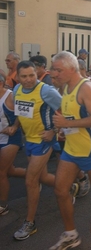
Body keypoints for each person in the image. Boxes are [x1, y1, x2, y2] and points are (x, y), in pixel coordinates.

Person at [50, 51, 91, 249]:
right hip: (72, 149)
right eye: (53, 69)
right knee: (60, 189)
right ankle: (71, 234)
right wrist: (64, 128)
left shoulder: (87, 88)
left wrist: (67, 122)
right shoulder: (66, 87)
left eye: (58, 70)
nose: (54, 74)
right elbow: (72, 117)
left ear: (72, 69)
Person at [13, 61, 62, 240]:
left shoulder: (46, 91)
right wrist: (15, 125)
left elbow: (68, 110)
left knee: (30, 180)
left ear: (37, 74)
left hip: (43, 141)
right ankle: (68, 186)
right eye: (24, 76)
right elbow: (20, 111)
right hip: (29, 141)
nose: (28, 80)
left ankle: (30, 222)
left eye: (31, 75)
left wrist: (54, 131)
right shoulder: (17, 90)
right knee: (42, 177)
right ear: (17, 77)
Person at [0, 72, 25, 216]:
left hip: (11, 139)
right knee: (10, 171)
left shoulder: (10, 96)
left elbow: (22, 114)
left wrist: (15, 127)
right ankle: (35, 177)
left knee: (1, 172)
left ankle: (3, 205)